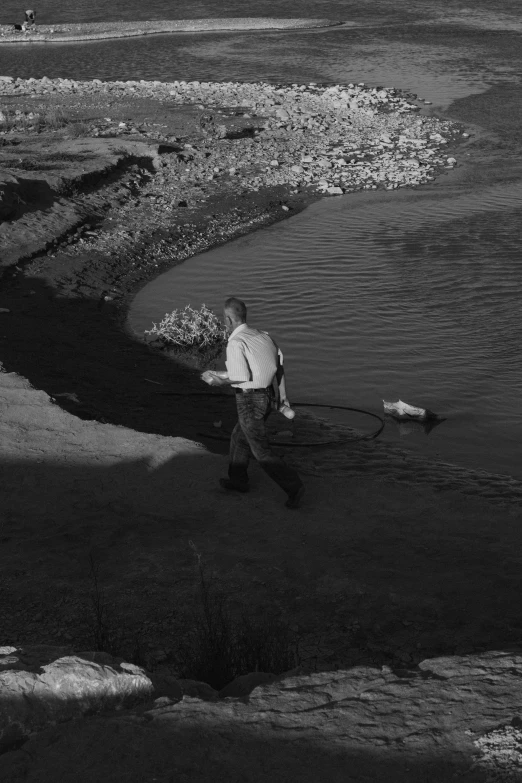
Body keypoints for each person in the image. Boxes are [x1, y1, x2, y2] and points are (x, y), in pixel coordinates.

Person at [201, 297, 304, 509]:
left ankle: (294, 486)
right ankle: (238, 480)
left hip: (249, 400)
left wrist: (217, 379)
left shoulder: (236, 342)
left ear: (228, 319)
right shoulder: (263, 336)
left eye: (224, 319)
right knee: (239, 437)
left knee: (260, 450)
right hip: (267, 395)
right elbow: (279, 365)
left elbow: (239, 376)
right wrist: (283, 394)